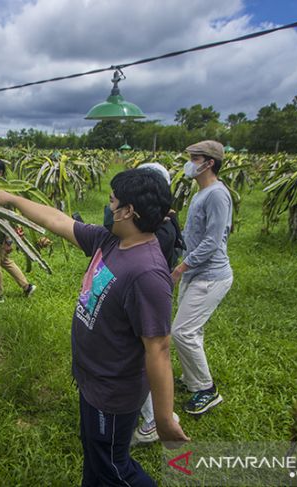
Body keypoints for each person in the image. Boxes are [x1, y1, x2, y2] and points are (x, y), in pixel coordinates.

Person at [0, 168, 189, 486]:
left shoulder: (147, 273)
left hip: (113, 392)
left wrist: (164, 419)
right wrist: (11, 198)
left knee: (113, 467)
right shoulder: (111, 240)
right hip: (93, 381)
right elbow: (56, 220)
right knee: (97, 461)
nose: (108, 207)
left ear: (128, 211)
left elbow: (159, 348)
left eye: (112, 201)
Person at [171, 140, 234, 415]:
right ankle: (191, 379)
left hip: (210, 275)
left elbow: (212, 241)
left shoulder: (217, 195)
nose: (190, 163)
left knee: (181, 331)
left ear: (209, 163)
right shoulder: (201, 192)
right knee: (191, 330)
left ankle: (207, 391)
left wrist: (180, 268)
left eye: (194, 158)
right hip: (196, 273)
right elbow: (195, 232)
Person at [130, 163, 186, 445]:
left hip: (147, 302)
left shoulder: (161, 232)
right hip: (146, 300)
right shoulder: (165, 223)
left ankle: (155, 419)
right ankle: (159, 414)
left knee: (146, 358)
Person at [0, 159, 36, 302]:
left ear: (0, 173)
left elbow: (10, 217)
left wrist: (8, 239)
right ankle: (27, 287)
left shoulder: (4, 192)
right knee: (5, 261)